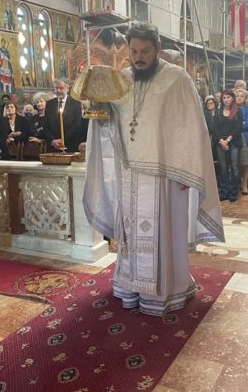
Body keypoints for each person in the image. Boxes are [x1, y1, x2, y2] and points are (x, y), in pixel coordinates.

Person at [83, 22, 224, 316]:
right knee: (131, 234)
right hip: (129, 174)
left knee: (165, 234)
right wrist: (99, 109)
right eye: (133, 51)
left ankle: (166, 291)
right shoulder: (120, 80)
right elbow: (111, 124)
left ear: (158, 48)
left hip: (166, 175)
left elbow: (191, 127)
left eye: (145, 51)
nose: (138, 58)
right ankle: (130, 286)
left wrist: (188, 169)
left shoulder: (177, 79)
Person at [215, 90, 242, 202]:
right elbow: (215, 128)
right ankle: (224, 191)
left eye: (228, 97)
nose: (226, 100)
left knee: (235, 167)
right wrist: (222, 141)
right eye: (224, 98)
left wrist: (228, 140)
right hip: (221, 142)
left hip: (234, 141)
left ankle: (233, 192)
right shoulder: (218, 112)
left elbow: (238, 128)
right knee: (223, 167)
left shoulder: (238, 111)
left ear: (233, 98)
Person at [44, 78, 83, 152]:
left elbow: (77, 125)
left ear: (67, 88)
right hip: (53, 147)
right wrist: (52, 141)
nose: (58, 91)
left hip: (70, 145)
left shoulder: (76, 104)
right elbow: (45, 125)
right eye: (56, 88)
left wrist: (63, 140)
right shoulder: (49, 104)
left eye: (61, 88)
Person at [235, 89, 248, 195]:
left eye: (241, 96)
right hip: (233, 137)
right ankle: (237, 182)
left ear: (245, 98)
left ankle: (245, 184)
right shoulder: (231, 109)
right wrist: (241, 123)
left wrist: (237, 125)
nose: (239, 98)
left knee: (245, 162)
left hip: (244, 137)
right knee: (235, 162)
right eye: (237, 95)